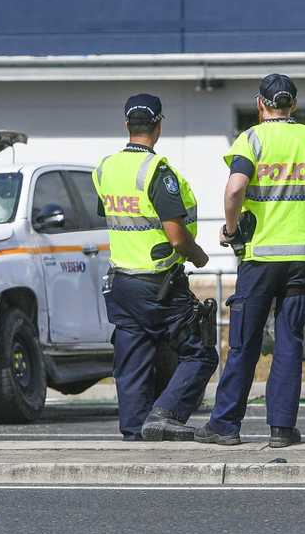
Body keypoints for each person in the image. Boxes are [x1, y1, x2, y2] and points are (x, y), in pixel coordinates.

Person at [195, 74, 305, 448]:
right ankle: (282, 429)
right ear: (293, 105)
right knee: (288, 343)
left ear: (260, 104)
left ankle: (225, 426)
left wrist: (231, 228)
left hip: (261, 259)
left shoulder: (251, 139)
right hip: (302, 257)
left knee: (244, 343)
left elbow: (235, 187)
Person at [92, 94, 217, 441]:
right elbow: (176, 236)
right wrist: (199, 256)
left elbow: (115, 216)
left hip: (121, 282)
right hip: (158, 282)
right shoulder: (158, 171)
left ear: (126, 126)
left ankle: (134, 432)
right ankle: (165, 415)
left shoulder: (105, 169)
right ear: (159, 125)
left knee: (132, 361)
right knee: (201, 352)